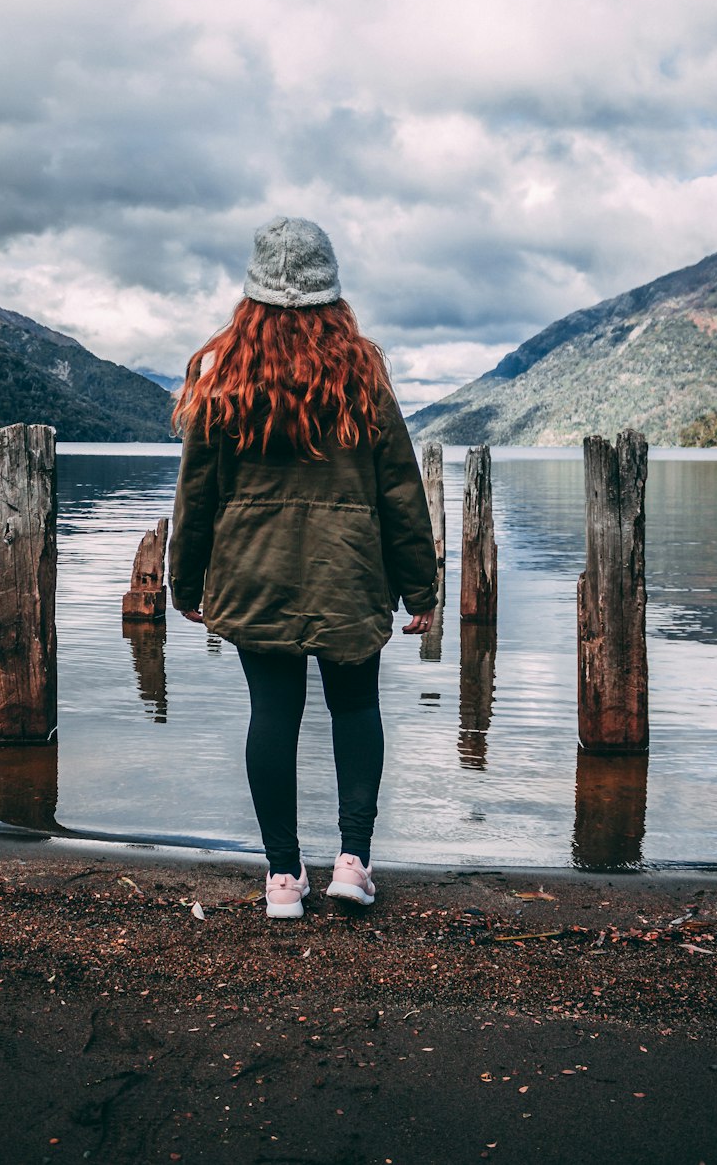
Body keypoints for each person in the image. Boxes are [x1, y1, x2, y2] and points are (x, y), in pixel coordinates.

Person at [169, 216, 438, 918]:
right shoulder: (361, 371)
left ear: (253, 293)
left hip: (252, 568)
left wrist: (185, 581)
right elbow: (400, 488)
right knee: (356, 708)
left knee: (272, 714)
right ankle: (352, 864)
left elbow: (196, 493)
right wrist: (421, 587)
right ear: (332, 292)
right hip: (348, 570)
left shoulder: (221, 374)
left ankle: (283, 880)